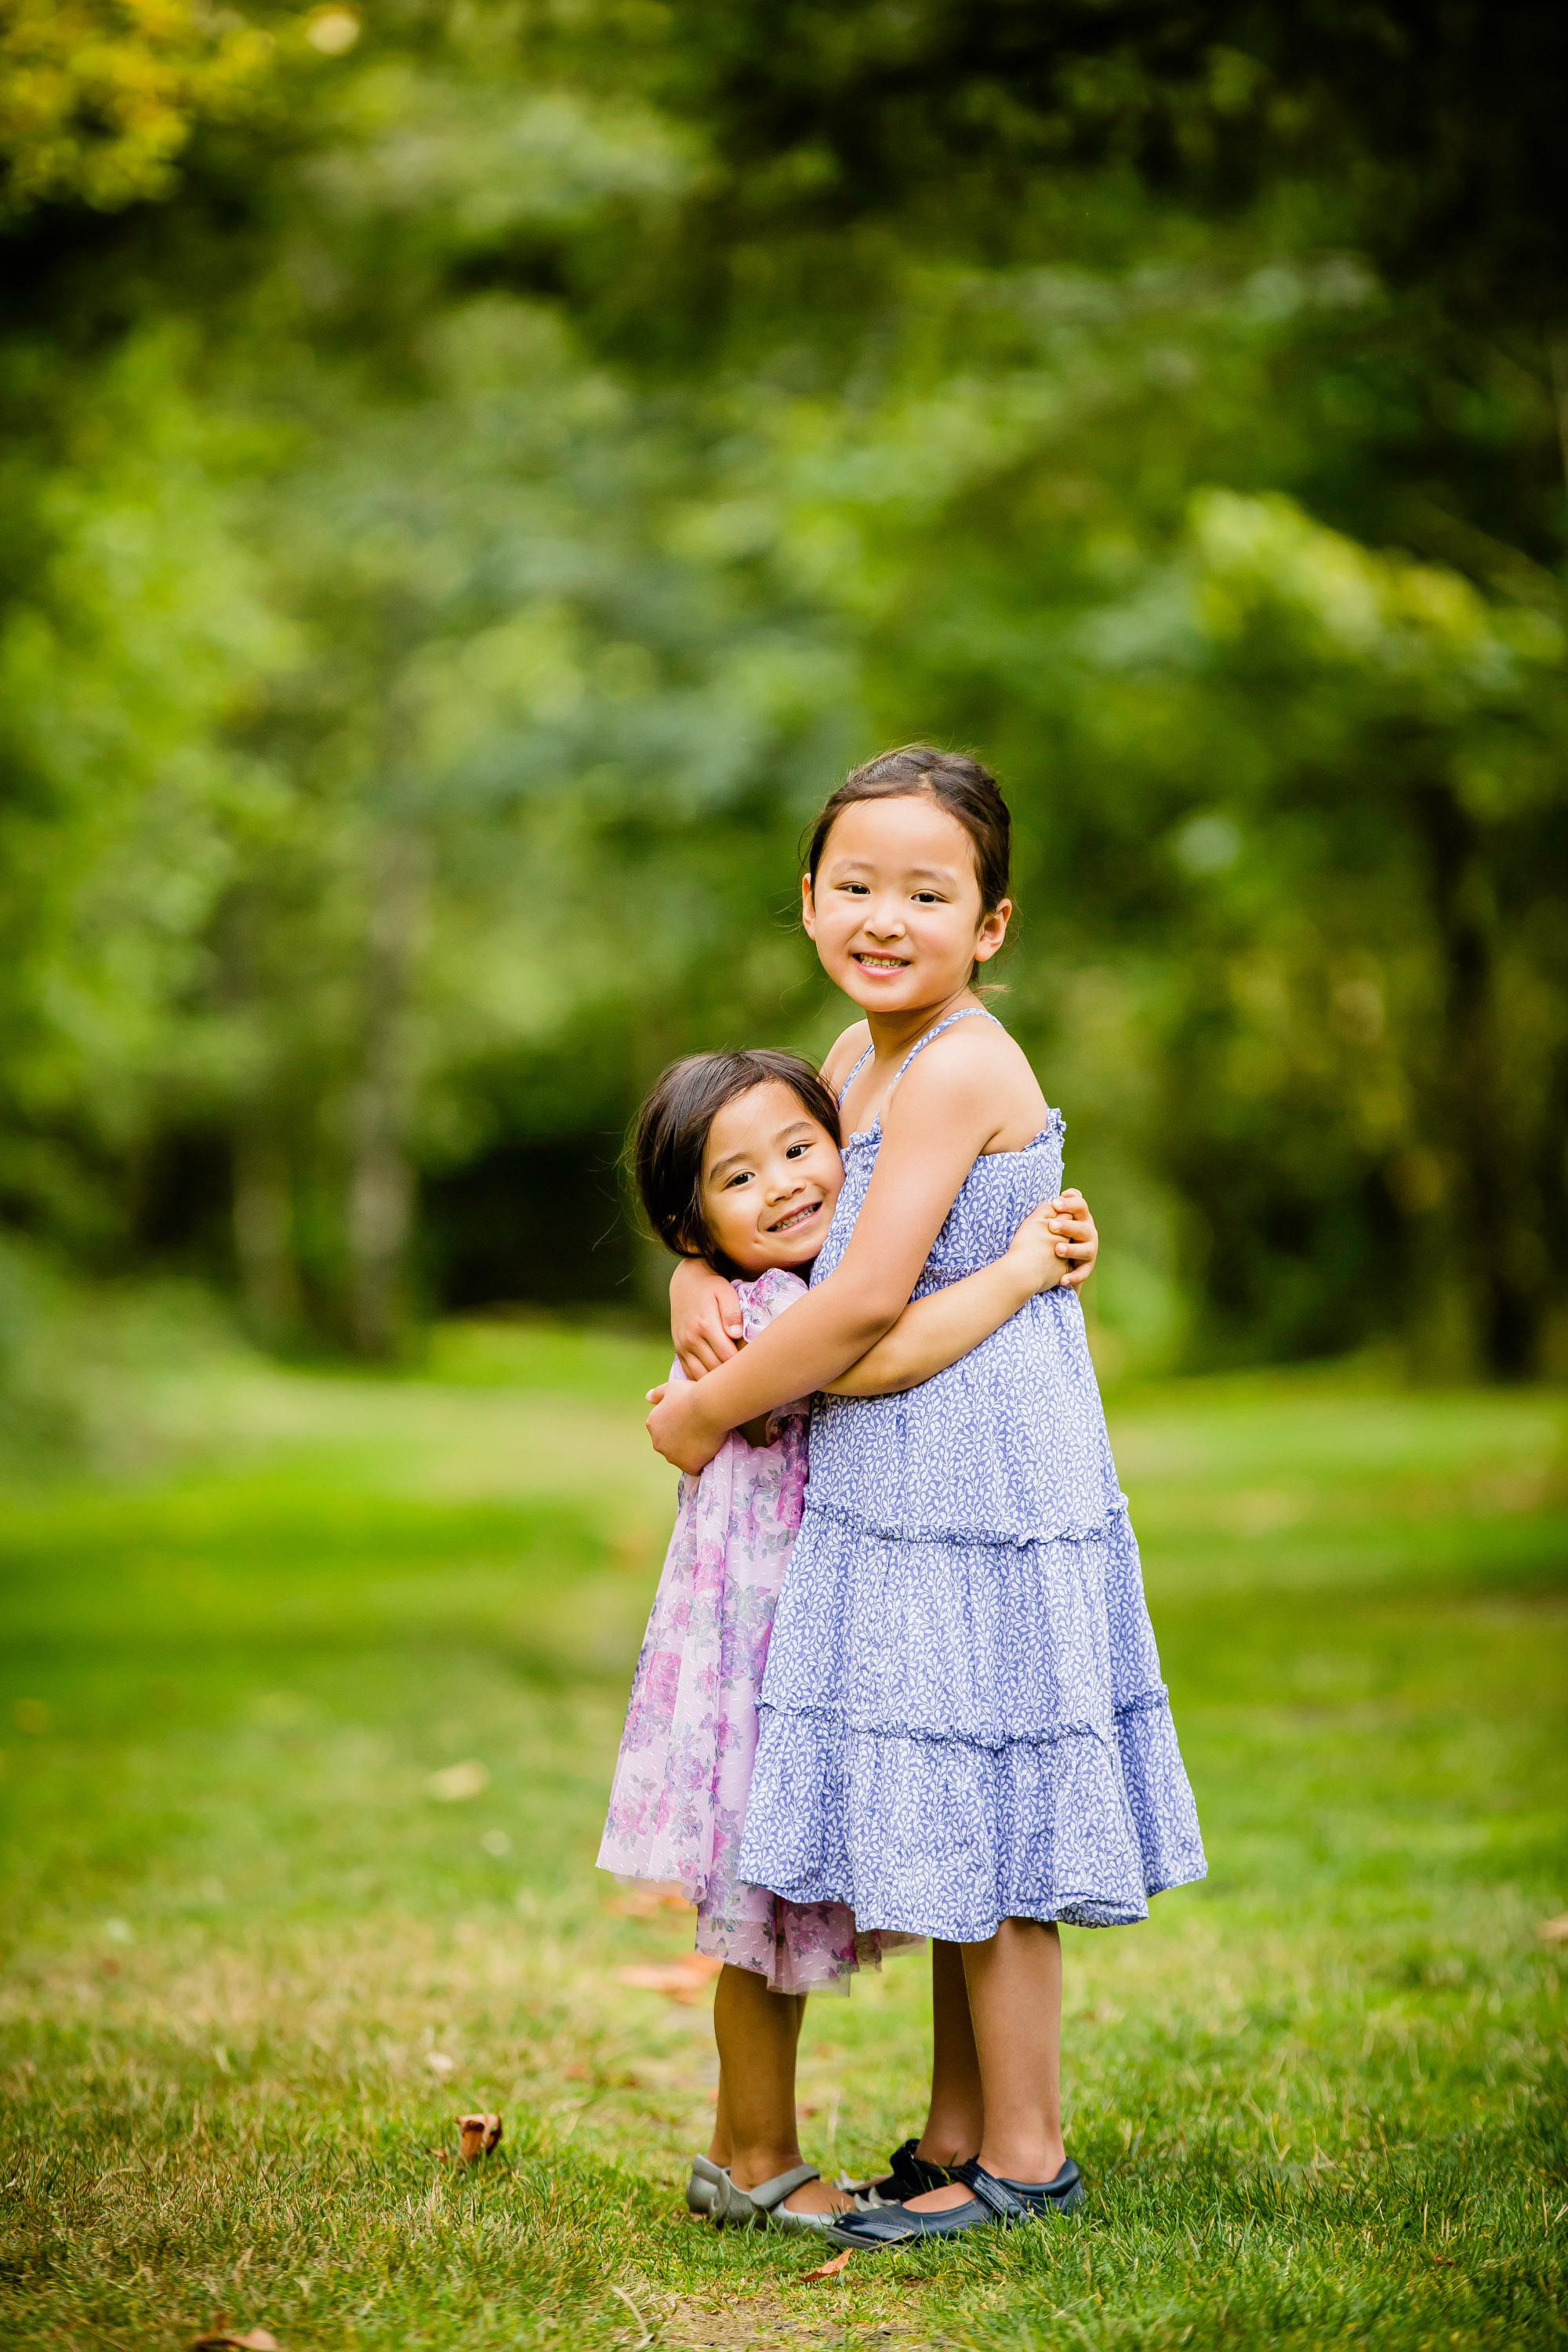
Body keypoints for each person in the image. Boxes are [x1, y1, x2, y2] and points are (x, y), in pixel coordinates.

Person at [647, 745, 1207, 2245]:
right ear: (811, 899)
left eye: (927, 891)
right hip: (901, 1485)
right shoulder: (850, 1054)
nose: (884, 917)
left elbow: (856, 1316)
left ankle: (1025, 2152)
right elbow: (786, 1219)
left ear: (992, 924)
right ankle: (955, 2134)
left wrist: (701, 1410)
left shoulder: (961, 1059)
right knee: (952, 1790)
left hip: (988, 1475)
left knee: (1004, 1802)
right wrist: (698, 1269)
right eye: (854, 886)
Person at [601, 1045, 1098, 2230]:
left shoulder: (775, 1282)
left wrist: (687, 1272)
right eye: (738, 1179)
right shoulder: (778, 1312)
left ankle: (745, 2151)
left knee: (767, 1913)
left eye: (799, 1149)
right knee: (761, 1917)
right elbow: (884, 1349)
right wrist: (1020, 1267)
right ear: (693, 1220)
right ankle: (758, 2156)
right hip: (771, 1650)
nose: (782, 1184)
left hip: (811, 1635)